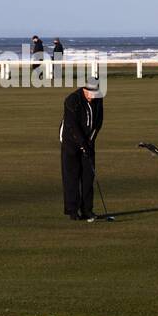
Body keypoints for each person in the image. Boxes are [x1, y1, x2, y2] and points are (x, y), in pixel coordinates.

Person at [59, 83, 104, 221]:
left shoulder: (98, 98)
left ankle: (87, 210)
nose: (93, 97)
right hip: (70, 142)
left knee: (88, 177)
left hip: (88, 142)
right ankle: (73, 211)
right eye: (90, 94)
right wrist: (82, 144)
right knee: (71, 177)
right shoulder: (72, 100)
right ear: (84, 90)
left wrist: (90, 142)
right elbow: (71, 125)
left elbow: (98, 121)